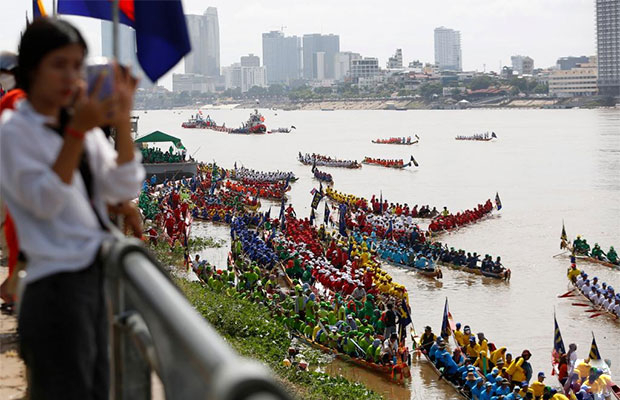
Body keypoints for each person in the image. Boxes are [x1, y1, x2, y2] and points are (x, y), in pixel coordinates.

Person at [0, 18, 144, 400]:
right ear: (32, 69)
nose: (70, 76)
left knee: (96, 390)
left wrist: (122, 123)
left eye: (77, 65)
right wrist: (78, 132)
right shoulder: (14, 132)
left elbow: (122, 185)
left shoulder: (78, 125)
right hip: (54, 290)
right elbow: (44, 201)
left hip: (93, 282)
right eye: (58, 65)